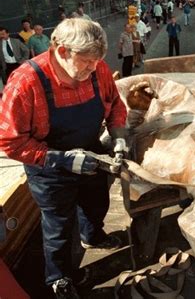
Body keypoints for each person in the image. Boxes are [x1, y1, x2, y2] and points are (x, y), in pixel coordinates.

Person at [0, 18, 128, 298]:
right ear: (61, 52)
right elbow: (11, 141)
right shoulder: (25, 83)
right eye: (87, 61)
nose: (94, 68)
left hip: (91, 154)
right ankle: (58, 278)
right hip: (49, 168)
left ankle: (92, 235)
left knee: (96, 203)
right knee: (58, 227)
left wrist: (118, 135)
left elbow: (116, 105)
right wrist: (63, 160)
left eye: (97, 61)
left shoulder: (97, 69)